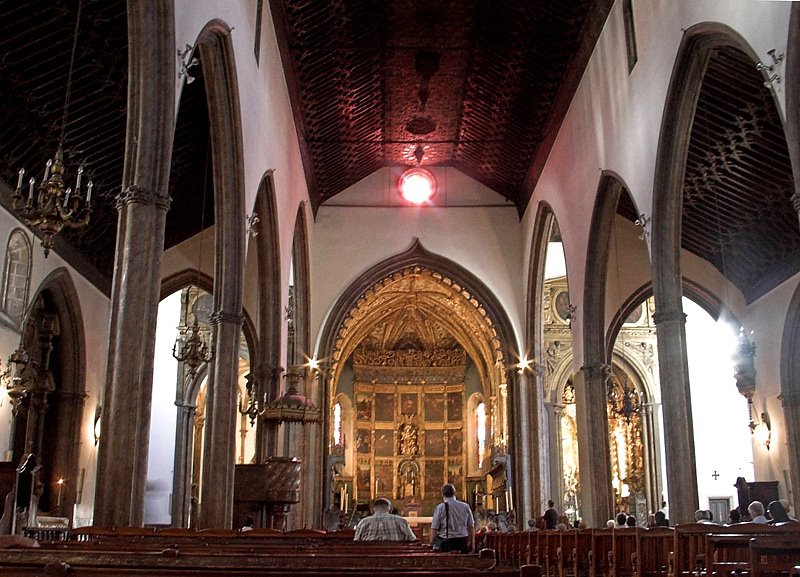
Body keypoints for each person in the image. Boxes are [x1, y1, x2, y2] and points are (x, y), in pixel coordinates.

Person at [430, 483, 475, 553]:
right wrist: (472, 543)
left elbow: (434, 529)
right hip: (462, 541)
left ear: (442, 494)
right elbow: (471, 526)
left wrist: (432, 544)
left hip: (446, 542)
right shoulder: (465, 506)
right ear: (454, 493)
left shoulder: (440, 508)